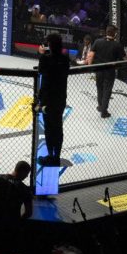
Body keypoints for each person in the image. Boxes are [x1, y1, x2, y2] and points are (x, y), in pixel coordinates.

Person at [0, 161, 32, 254]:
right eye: (27, 174)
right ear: (22, 172)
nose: (26, 176)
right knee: (8, 251)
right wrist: (18, 220)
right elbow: (28, 212)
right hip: (12, 225)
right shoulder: (25, 189)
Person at [36, 33, 70, 166]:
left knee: (49, 128)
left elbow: (41, 71)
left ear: (50, 45)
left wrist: (41, 54)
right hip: (60, 98)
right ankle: (57, 156)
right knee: (58, 127)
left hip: (48, 99)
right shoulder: (64, 59)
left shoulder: (45, 58)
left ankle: (51, 156)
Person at [86, 25, 126, 118]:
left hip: (99, 70)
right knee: (107, 90)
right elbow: (125, 58)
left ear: (106, 32)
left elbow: (90, 55)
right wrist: (126, 53)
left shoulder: (98, 41)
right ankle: (104, 111)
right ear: (115, 34)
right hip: (110, 71)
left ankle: (100, 106)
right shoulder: (117, 45)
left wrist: (89, 67)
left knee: (100, 88)